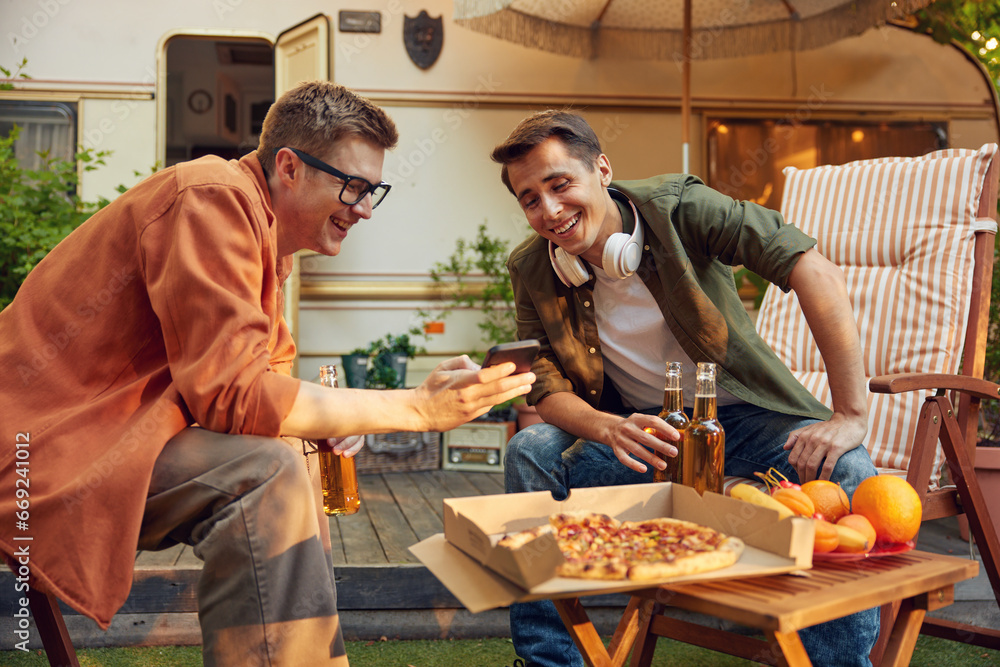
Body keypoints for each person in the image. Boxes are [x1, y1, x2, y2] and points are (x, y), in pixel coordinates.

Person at [0, 81, 533, 667]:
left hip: (111, 437)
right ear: (289, 167)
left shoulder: (266, 243)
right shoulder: (211, 196)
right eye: (352, 186)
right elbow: (233, 395)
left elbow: (266, 386)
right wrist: (414, 409)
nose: (362, 209)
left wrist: (327, 423)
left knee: (293, 454)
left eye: (372, 190)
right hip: (35, 450)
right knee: (266, 473)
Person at [491, 110, 879, 667]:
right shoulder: (531, 268)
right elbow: (543, 386)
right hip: (652, 439)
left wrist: (850, 413)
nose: (549, 210)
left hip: (750, 422)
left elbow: (812, 269)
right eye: (530, 199)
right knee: (531, 452)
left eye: (560, 184)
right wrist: (611, 428)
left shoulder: (679, 209)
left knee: (847, 471)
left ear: (602, 169)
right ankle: (548, 661)